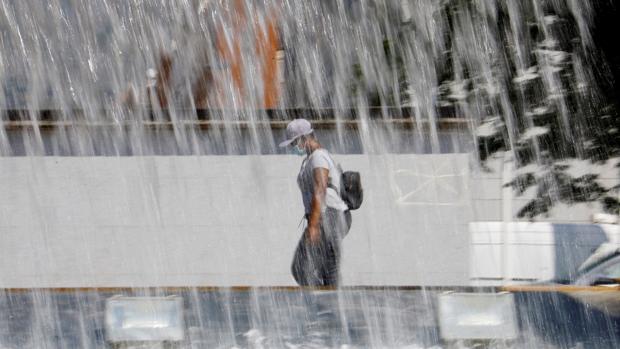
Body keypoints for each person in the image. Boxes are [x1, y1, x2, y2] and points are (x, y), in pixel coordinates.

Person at [279, 119, 352, 287]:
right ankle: (328, 302)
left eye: (293, 143)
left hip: (329, 218)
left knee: (303, 268)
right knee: (325, 268)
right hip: (327, 217)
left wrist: (312, 226)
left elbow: (320, 189)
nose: (292, 148)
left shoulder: (318, 157)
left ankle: (326, 300)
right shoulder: (312, 158)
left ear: (304, 138)